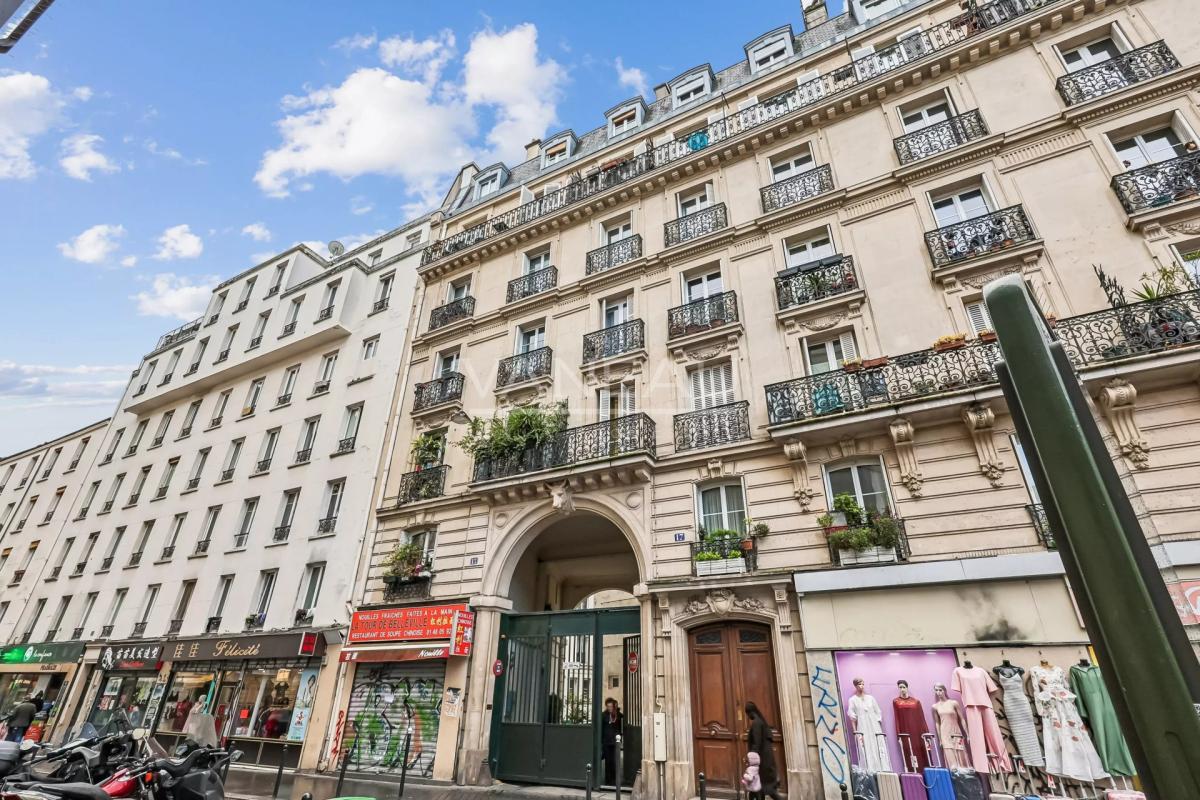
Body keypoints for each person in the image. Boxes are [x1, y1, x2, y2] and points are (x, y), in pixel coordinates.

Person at [745, 701, 782, 800]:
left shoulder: (756, 723)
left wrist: (751, 759)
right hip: (765, 760)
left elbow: (756, 743)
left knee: (768, 790)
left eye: (747, 714)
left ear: (749, 712)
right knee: (761, 788)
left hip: (762, 762)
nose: (748, 716)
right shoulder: (761, 722)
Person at [600, 697, 624, 786]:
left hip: (615, 742)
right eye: (608, 706)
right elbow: (601, 728)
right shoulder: (603, 715)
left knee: (614, 761)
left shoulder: (617, 715)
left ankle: (614, 780)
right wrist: (601, 741)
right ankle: (608, 780)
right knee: (608, 762)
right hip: (606, 742)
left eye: (611, 706)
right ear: (606, 706)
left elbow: (622, 717)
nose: (610, 708)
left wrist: (616, 708)